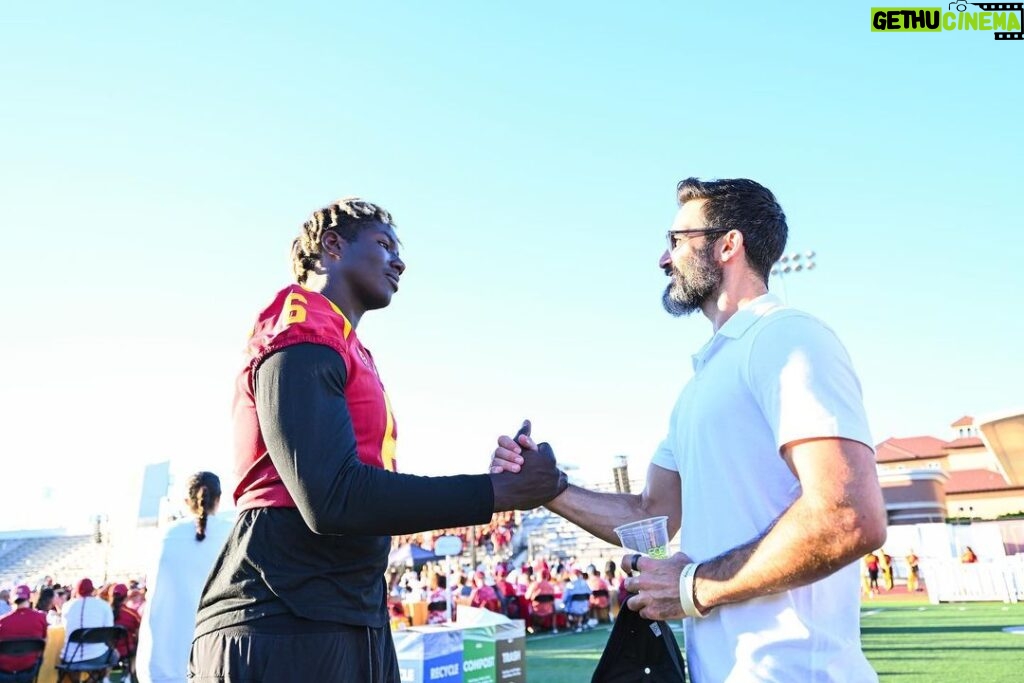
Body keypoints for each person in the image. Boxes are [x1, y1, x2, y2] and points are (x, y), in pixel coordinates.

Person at [492, 177, 888, 681]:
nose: (663, 258)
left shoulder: (786, 335)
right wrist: (548, 488)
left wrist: (693, 587)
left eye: (676, 240)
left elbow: (849, 516)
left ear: (728, 244)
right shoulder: (699, 384)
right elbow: (649, 513)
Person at [189, 197, 567, 682]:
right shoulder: (301, 326)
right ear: (331, 246)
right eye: (384, 244)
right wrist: (495, 493)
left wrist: (497, 485)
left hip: (343, 609)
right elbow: (332, 498)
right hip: (283, 617)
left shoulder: (344, 341)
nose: (400, 261)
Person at [135, 471, 231, 683]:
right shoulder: (232, 534)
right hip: (214, 659)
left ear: (186, 501)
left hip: (160, 658)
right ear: (219, 498)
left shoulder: (163, 536)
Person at [60, 578, 119, 670]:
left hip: (70, 658)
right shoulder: (104, 605)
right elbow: (109, 633)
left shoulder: (67, 606)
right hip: (97, 657)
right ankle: (104, 679)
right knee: (114, 655)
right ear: (92, 591)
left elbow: (66, 628)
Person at [0, 585, 48, 678]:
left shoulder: (2, 621)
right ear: (29, 598)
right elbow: (44, 641)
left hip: (4, 672)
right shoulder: (40, 618)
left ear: (11, 600)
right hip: (29, 670)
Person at [108, 583, 141, 670]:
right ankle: (130, 674)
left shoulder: (104, 612)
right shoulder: (132, 614)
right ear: (126, 597)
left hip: (107, 651)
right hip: (127, 651)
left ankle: (105, 677)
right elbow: (139, 636)